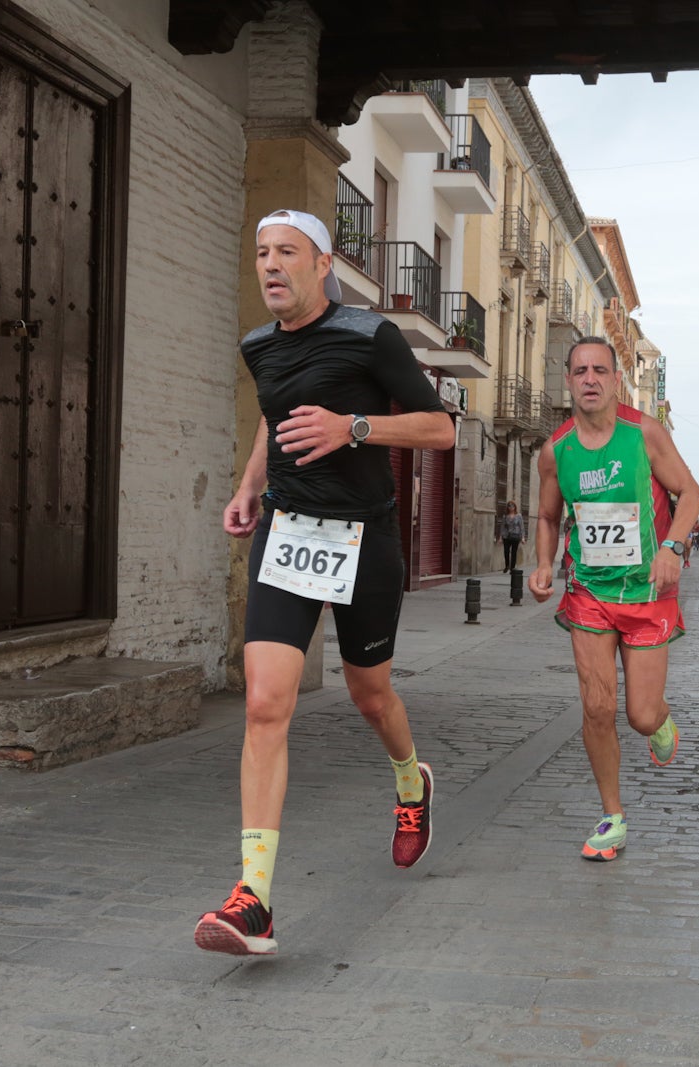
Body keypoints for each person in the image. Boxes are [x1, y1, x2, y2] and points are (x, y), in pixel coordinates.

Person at [195, 209, 456, 956]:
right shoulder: (257, 346)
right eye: (261, 254)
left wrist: (356, 428)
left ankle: (412, 782)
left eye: (287, 253)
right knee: (265, 703)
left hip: (363, 535)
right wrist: (251, 485)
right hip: (288, 532)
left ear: (321, 263)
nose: (271, 264)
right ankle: (256, 899)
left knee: (371, 695)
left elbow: (439, 429)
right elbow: (273, 418)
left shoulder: (369, 335)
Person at [529, 336, 699, 862]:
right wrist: (542, 562)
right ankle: (612, 816)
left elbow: (690, 493)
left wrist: (673, 545)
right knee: (597, 707)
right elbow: (547, 516)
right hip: (590, 594)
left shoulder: (643, 434)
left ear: (616, 379)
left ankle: (661, 720)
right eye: (580, 370)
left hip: (649, 592)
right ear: (568, 380)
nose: (589, 379)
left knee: (640, 715)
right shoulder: (555, 451)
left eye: (600, 370)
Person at [501, 500, 524, 573]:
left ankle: (512, 568)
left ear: (515, 507)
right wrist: (500, 537)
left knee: (514, 552)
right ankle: (507, 565)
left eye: (512, 506)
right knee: (506, 551)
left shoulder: (519, 516)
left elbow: (521, 527)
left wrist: (523, 537)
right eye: (509, 506)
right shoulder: (505, 516)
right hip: (506, 536)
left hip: (515, 536)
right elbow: (502, 527)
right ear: (507, 507)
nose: (511, 507)